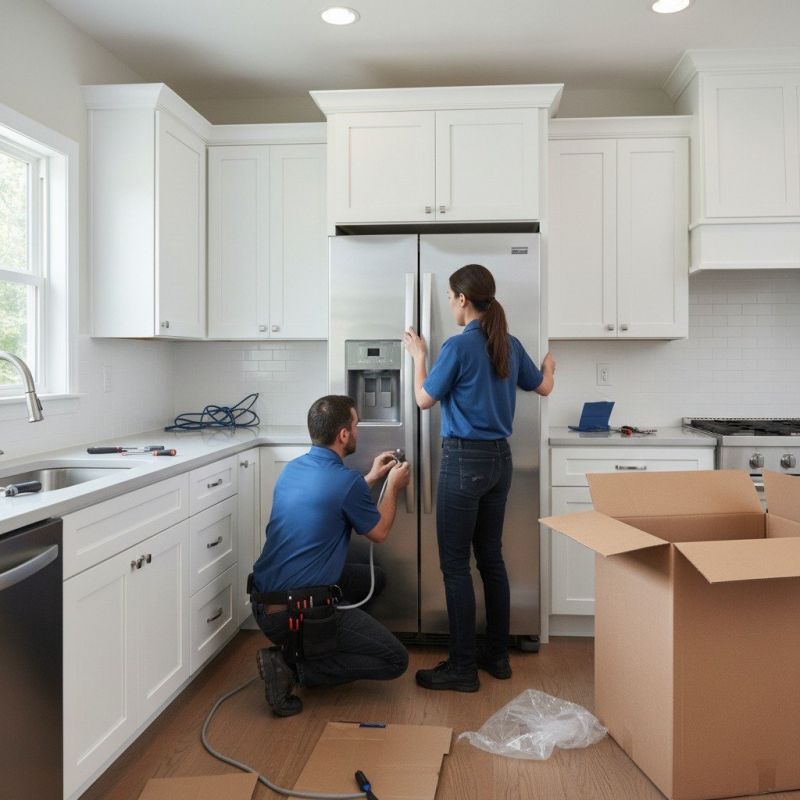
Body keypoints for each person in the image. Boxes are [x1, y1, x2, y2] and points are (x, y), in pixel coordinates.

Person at [403, 264, 555, 692]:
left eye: (450, 297)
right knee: (490, 558)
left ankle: (462, 668)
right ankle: (498, 657)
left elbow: (423, 400)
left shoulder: (458, 346)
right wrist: (549, 366)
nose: (450, 305)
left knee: (455, 566)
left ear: (463, 299)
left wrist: (418, 357)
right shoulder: (509, 342)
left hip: (463, 462)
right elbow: (543, 387)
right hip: (500, 461)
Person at [250, 394, 411, 716]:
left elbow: (330, 498)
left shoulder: (293, 469)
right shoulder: (345, 481)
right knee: (395, 660)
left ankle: (317, 646)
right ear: (343, 434)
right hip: (295, 611)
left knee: (374, 578)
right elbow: (379, 532)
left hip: (265, 602)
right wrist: (393, 486)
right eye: (356, 425)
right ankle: (292, 667)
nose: (358, 431)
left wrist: (371, 478)